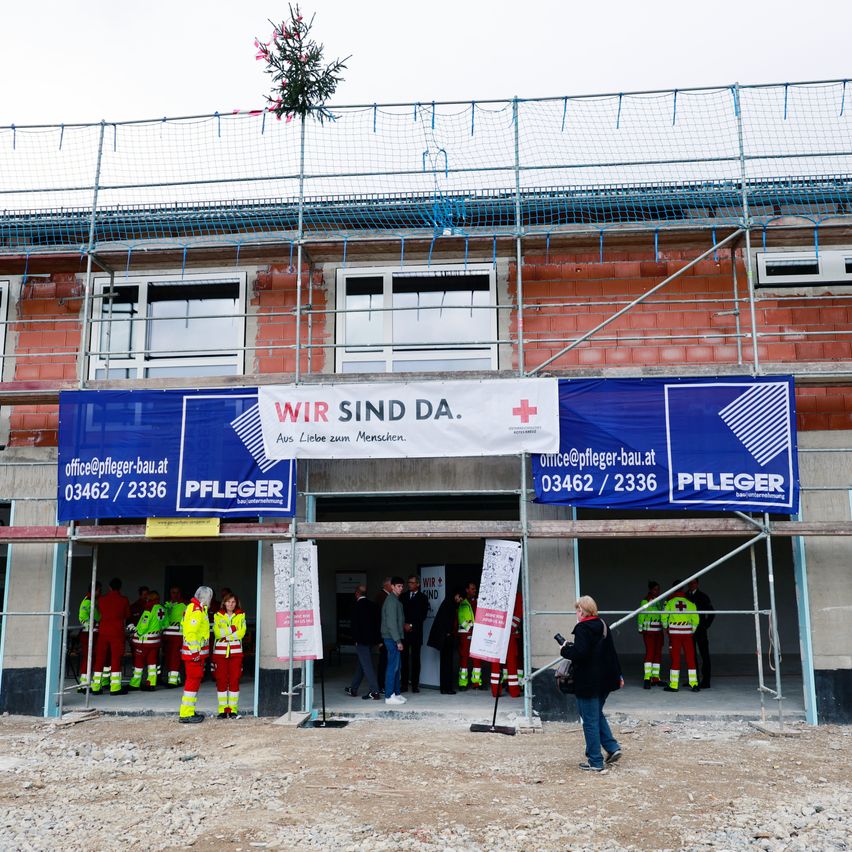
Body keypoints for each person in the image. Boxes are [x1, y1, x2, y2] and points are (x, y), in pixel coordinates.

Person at [559, 596, 624, 773]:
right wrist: (619, 675)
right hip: (606, 680)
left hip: (588, 682)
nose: (576, 613)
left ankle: (595, 761)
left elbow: (580, 654)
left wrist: (565, 649)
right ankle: (612, 747)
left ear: (581, 611)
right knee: (596, 714)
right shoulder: (602, 624)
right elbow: (611, 652)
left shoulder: (582, 628)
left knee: (589, 720)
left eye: (577, 610)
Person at [91, 577, 131, 695]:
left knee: (99, 659)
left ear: (109, 587)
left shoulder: (102, 600)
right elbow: (127, 614)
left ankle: (96, 686)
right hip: (117, 632)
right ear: (120, 587)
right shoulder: (124, 600)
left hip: (103, 631)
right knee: (116, 658)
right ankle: (115, 687)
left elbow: (100, 614)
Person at [179, 585, 213, 723]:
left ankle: (188, 711)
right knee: (192, 682)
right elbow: (191, 633)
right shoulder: (196, 610)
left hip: (196, 654)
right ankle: (186, 713)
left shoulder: (197, 608)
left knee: (194, 681)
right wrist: (195, 652)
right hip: (194, 655)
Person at [345, 584, 382, 700]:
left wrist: (355, 640)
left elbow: (354, 626)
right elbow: (378, 624)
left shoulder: (355, 606)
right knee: (362, 665)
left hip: (361, 641)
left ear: (357, 593)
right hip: (371, 641)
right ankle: (353, 688)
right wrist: (378, 640)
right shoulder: (373, 606)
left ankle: (375, 691)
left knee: (367, 666)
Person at [212, 591, 246, 718]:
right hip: (220, 653)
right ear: (224, 603)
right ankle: (222, 710)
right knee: (221, 680)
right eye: (228, 602)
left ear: (236, 603)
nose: (230, 604)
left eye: (233, 602)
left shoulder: (241, 615)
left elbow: (241, 633)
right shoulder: (217, 615)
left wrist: (225, 634)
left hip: (236, 653)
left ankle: (232, 710)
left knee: (234, 680)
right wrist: (232, 629)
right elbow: (217, 633)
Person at [661, 581, 700, 692]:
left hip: (674, 635)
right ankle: (694, 684)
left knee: (675, 658)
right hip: (687, 634)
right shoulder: (690, 602)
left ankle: (674, 685)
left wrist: (666, 628)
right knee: (690, 658)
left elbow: (664, 617)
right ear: (682, 589)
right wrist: (691, 630)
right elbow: (696, 619)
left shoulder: (669, 602)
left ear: (673, 589)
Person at [427, 588, 463, 694]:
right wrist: (448, 633)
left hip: (444, 638)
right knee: (447, 663)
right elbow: (446, 622)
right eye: (459, 597)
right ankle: (447, 688)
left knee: (445, 663)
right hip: (446, 638)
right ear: (455, 595)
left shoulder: (447, 603)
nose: (460, 600)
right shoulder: (449, 605)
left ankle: (445, 688)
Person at [129, 590, 166, 691]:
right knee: (152, 663)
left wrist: (135, 630)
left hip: (144, 642)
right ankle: (151, 683)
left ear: (150, 598)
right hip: (155, 642)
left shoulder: (149, 609)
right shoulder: (162, 609)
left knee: (138, 664)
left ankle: (135, 684)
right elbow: (165, 624)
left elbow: (143, 626)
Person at [401, 575, 429, 693]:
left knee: (416, 660)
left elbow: (422, 615)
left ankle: (415, 685)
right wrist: (404, 624)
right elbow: (399, 612)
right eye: (409, 582)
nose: (409, 584)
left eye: (412, 583)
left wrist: (411, 625)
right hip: (404, 633)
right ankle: (404, 685)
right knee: (404, 659)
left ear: (418, 584)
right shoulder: (403, 596)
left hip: (416, 633)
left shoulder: (423, 598)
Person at [380, 576, 406, 705]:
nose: (401, 588)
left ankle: (396, 693)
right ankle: (389, 695)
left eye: (402, 586)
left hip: (394, 638)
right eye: (398, 586)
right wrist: (398, 641)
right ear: (392, 587)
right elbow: (391, 624)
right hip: (391, 638)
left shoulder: (395, 600)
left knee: (397, 666)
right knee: (392, 667)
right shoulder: (391, 601)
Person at [687, 578, 715, 689]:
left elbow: (712, 613)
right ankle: (694, 680)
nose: (691, 585)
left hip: (700, 631)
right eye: (690, 583)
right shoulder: (685, 596)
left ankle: (706, 681)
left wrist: (705, 626)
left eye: (693, 583)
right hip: (688, 630)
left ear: (697, 584)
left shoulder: (703, 596)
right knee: (691, 656)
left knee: (704, 656)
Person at [637, 580, 664, 688]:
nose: (657, 591)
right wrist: (640, 629)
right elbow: (641, 616)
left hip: (658, 632)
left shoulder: (657, 602)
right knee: (650, 654)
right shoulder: (645, 601)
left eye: (658, 589)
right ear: (651, 590)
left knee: (657, 654)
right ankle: (647, 678)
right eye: (655, 589)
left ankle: (655, 677)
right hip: (649, 632)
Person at [77, 581, 101, 693]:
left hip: (92, 634)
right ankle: (83, 684)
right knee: (88, 658)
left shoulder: (90, 600)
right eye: (99, 590)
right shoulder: (87, 601)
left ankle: (83, 683)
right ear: (95, 590)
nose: (100, 593)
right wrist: (91, 626)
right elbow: (82, 618)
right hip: (88, 634)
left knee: (90, 658)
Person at [162, 586, 187, 688]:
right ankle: (175, 680)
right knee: (168, 658)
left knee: (175, 658)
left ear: (180, 593)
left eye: (176, 592)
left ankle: (172, 682)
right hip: (167, 636)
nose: (174, 595)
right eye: (172, 592)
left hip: (178, 636)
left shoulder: (185, 605)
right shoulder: (166, 605)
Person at [457, 582, 476, 690]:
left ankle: (476, 682)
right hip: (465, 634)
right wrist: (470, 628)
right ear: (467, 590)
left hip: (475, 633)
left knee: (476, 658)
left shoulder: (477, 601)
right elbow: (460, 617)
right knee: (464, 658)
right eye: (472, 589)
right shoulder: (462, 602)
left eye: (475, 589)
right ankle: (463, 683)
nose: (474, 591)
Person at [374, 577, 392, 689]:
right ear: (386, 585)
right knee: (384, 661)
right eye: (392, 585)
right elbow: (378, 620)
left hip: (386, 635)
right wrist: (379, 640)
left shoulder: (386, 596)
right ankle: (381, 685)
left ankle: (383, 684)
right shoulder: (382, 597)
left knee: (386, 661)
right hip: (384, 635)